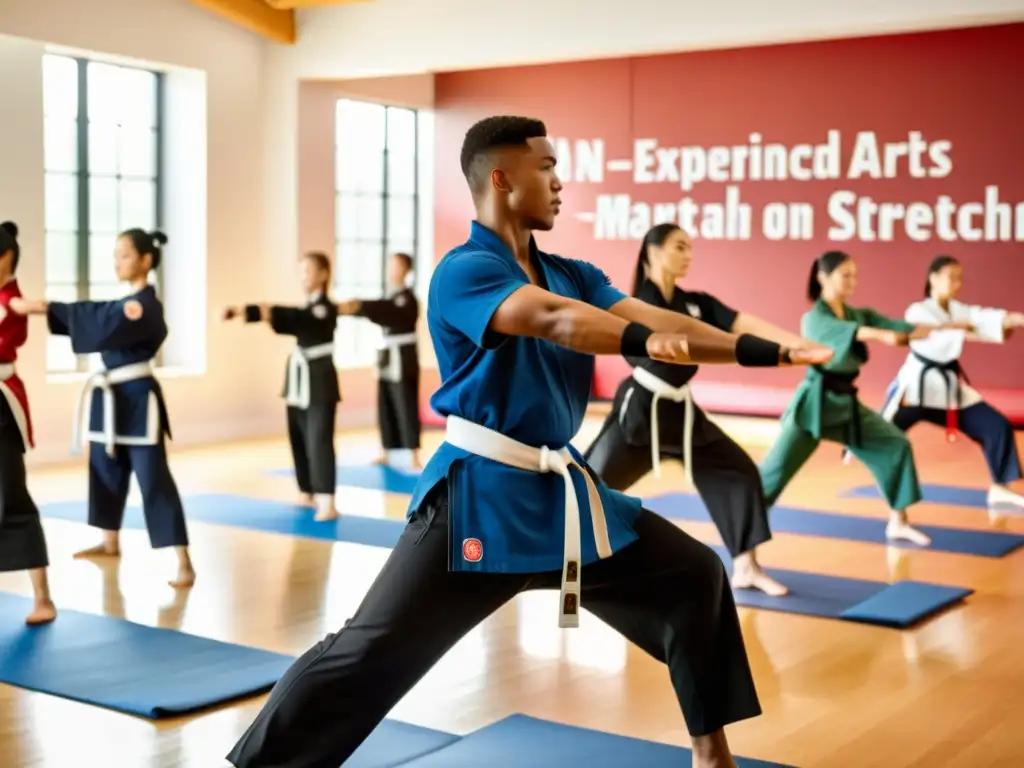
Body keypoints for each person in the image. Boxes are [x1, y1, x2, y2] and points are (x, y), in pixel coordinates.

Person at [226, 115, 832, 768]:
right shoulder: (463, 272)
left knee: (694, 577)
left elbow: (653, 318)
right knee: (367, 654)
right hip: (477, 500)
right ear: (502, 178)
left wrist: (771, 352)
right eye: (546, 168)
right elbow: (554, 320)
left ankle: (711, 754)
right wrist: (641, 343)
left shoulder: (570, 269)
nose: (560, 181)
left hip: (563, 497)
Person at [585, 223, 818, 597]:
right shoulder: (635, 305)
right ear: (652, 252)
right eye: (679, 247)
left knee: (738, 470)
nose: (688, 255)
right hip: (643, 411)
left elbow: (742, 324)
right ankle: (550, 555)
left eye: (690, 248)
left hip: (683, 411)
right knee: (592, 485)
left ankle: (746, 565)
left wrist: (797, 345)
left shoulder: (696, 303)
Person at [11, 229, 195, 588]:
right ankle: (109, 542)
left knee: (153, 477)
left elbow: (105, 320)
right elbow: (102, 315)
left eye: (124, 254)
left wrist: (46, 307)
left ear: (146, 260)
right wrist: (51, 310)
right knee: (105, 469)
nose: (117, 261)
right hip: (109, 395)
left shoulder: (143, 305)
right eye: (115, 254)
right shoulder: (126, 302)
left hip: (139, 397)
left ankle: (183, 561)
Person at [758, 250, 971, 548]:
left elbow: (900, 327)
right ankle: (744, 549)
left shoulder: (858, 313)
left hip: (845, 406)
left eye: (854, 275)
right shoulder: (814, 318)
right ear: (823, 277)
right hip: (815, 406)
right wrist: (881, 337)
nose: (852, 281)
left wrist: (946, 326)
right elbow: (853, 333)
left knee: (894, 443)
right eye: (845, 274)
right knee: (772, 473)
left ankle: (899, 522)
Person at [882, 255, 1024, 509]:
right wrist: (969, 325)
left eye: (959, 278)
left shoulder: (960, 310)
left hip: (947, 389)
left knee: (995, 425)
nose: (957, 283)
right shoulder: (918, 310)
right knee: (879, 435)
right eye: (951, 277)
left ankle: (1000, 489)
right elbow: (942, 327)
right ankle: (888, 488)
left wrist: (1015, 319)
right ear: (933, 278)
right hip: (916, 387)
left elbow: (985, 317)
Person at [224, 251, 341, 521]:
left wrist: (262, 311)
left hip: (319, 378)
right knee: (298, 434)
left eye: (308, 271)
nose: (303, 277)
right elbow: (291, 317)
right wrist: (249, 312)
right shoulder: (307, 308)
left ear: (323, 274)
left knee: (319, 438)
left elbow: (299, 318)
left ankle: (327, 501)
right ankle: (306, 490)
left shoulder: (325, 308)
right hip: (298, 377)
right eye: (301, 271)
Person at [0, 221, 56, 624]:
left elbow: (30, 306)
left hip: (2, 407)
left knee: (13, 496)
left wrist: (50, 307)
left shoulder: (12, 300)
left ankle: (43, 597)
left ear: (7, 259)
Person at [337, 252, 422, 468]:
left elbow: (388, 311)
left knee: (405, 401)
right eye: (390, 265)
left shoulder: (407, 299)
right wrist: (355, 309)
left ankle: (413, 454)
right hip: (386, 352)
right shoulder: (389, 296)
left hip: (403, 354)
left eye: (397, 266)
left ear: (407, 270)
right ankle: (386, 449)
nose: (392, 270)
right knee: (385, 401)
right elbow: (381, 308)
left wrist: (360, 306)